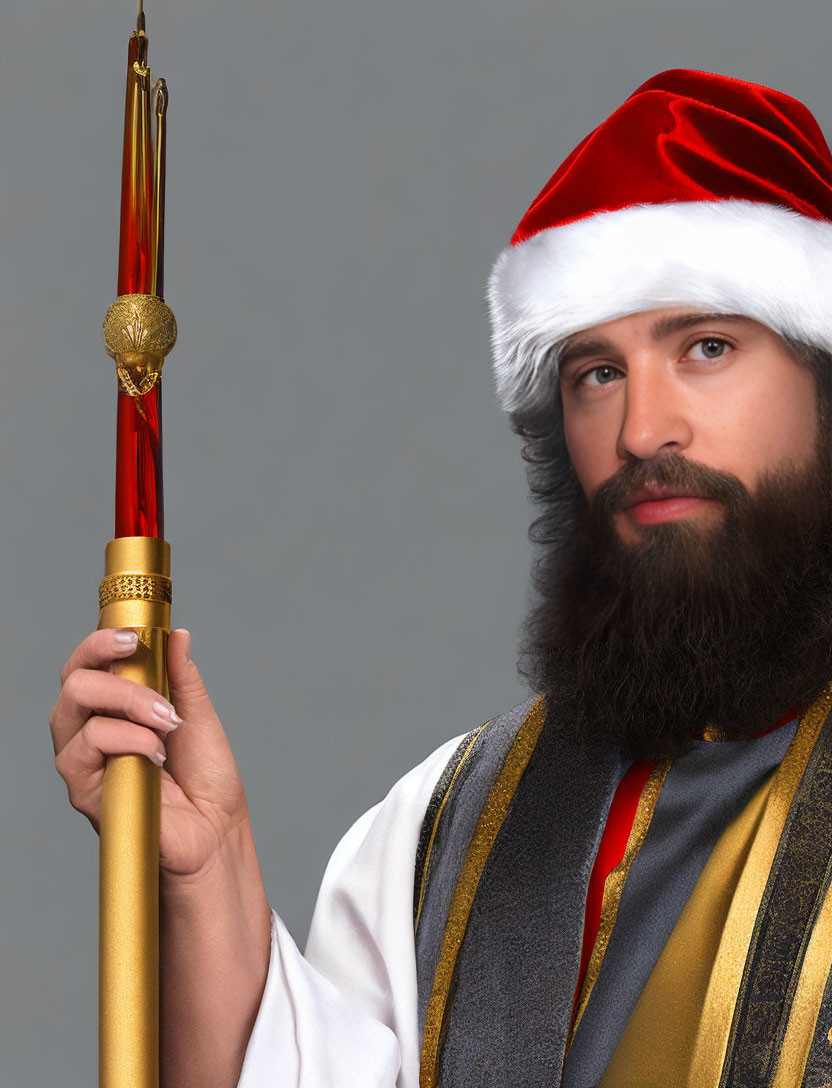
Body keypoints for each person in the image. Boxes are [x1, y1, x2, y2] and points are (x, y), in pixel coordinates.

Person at [50, 68, 832, 1088]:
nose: (643, 431)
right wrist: (205, 870)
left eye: (707, 346)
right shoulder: (448, 825)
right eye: (596, 373)